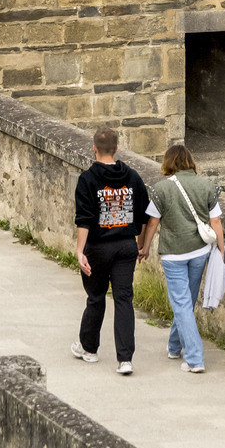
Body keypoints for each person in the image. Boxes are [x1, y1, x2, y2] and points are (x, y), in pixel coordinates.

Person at [70, 125, 150, 375]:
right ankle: (125, 360)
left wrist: (80, 250)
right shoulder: (133, 177)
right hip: (125, 245)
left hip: (97, 246)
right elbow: (145, 213)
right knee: (124, 299)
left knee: (96, 297)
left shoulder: (88, 179)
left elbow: (84, 219)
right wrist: (142, 243)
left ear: (94, 149)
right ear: (116, 148)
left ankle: (89, 348)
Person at [140, 143, 225, 374]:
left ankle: (195, 358)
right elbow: (215, 221)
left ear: (168, 163)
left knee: (181, 303)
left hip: (173, 253)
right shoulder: (206, 185)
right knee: (186, 302)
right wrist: (221, 250)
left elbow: (153, 222)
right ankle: (174, 346)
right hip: (200, 252)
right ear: (189, 161)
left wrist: (145, 246)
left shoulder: (161, 189)